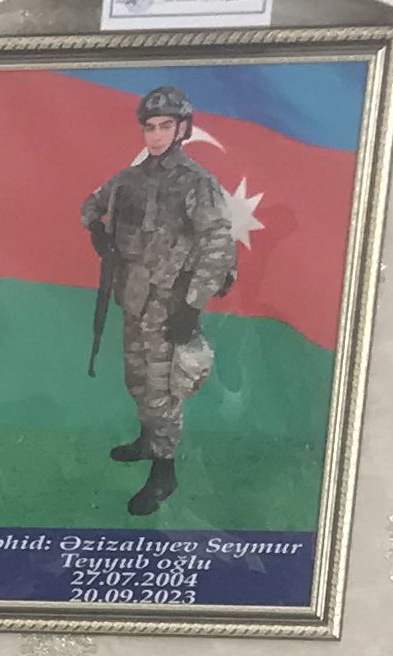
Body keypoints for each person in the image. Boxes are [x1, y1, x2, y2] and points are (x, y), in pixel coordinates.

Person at [82, 83, 236, 520]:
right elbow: (91, 204)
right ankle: (149, 441)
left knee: (164, 389)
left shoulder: (197, 182)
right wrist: (98, 230)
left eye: (165, 126)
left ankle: (164, 471)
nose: (156, 135)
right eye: (149, 127)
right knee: (138, 380)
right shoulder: (130, 179)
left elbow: (218, 244)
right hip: (135, 297)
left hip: (171, 304)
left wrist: (192, 305)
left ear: (183, 128)